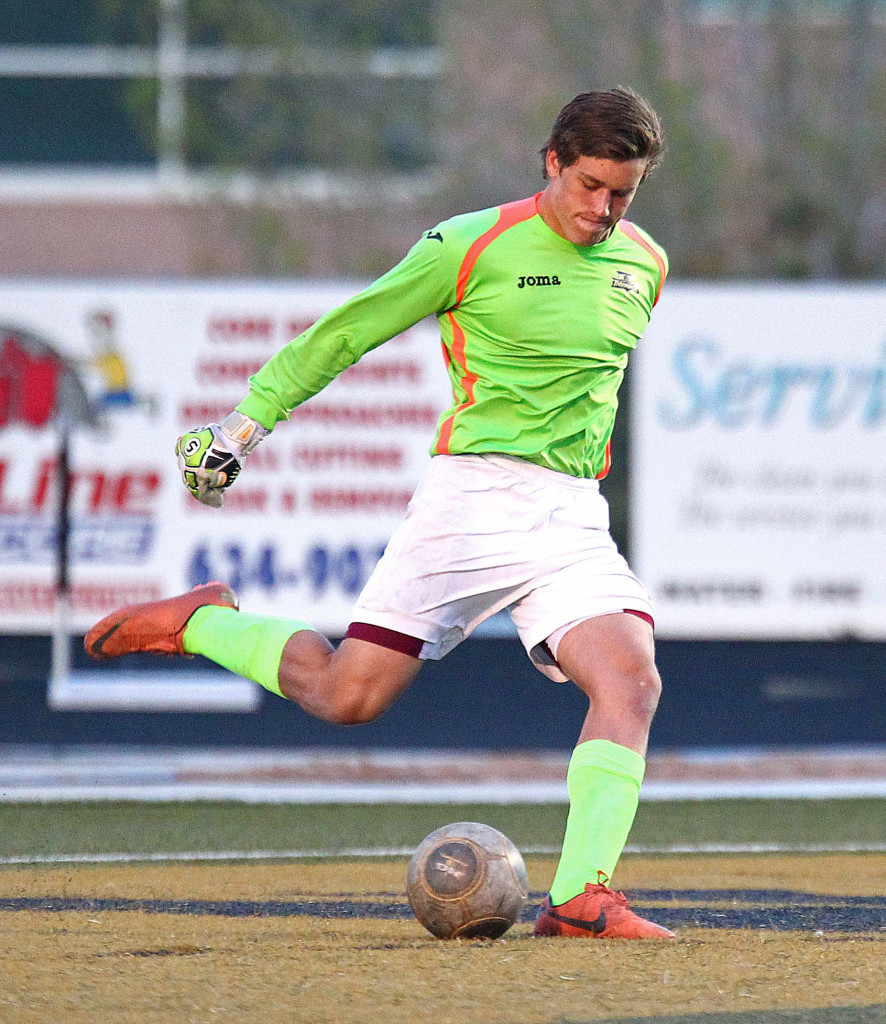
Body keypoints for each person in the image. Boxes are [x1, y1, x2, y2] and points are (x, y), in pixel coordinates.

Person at [86, 86, 675, 941]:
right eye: (588, 185)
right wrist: (243, 427)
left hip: (570, 515)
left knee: (632, 678)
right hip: (471, 501)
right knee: (346, 697)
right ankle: (202, 624)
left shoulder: (644, 263)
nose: (603, 209)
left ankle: (581, 898)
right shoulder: (468, 246)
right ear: (552, 162)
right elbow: (345, 333)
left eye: (623, 192)